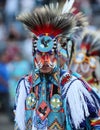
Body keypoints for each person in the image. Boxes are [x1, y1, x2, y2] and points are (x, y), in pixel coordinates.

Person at [14, 1, 100, 130]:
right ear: (33, 54)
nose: (45, 60)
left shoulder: (72, 86)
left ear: (58, 54)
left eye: (50, 54)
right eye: (40, 54)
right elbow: (19, 123)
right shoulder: (25, 85)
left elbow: (95, 122)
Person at [73, 30, 100, 96]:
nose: (78, 65)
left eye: (83, 63)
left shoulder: (96, 88)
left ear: (93, 66)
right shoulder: (73, 81)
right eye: (79, 60)